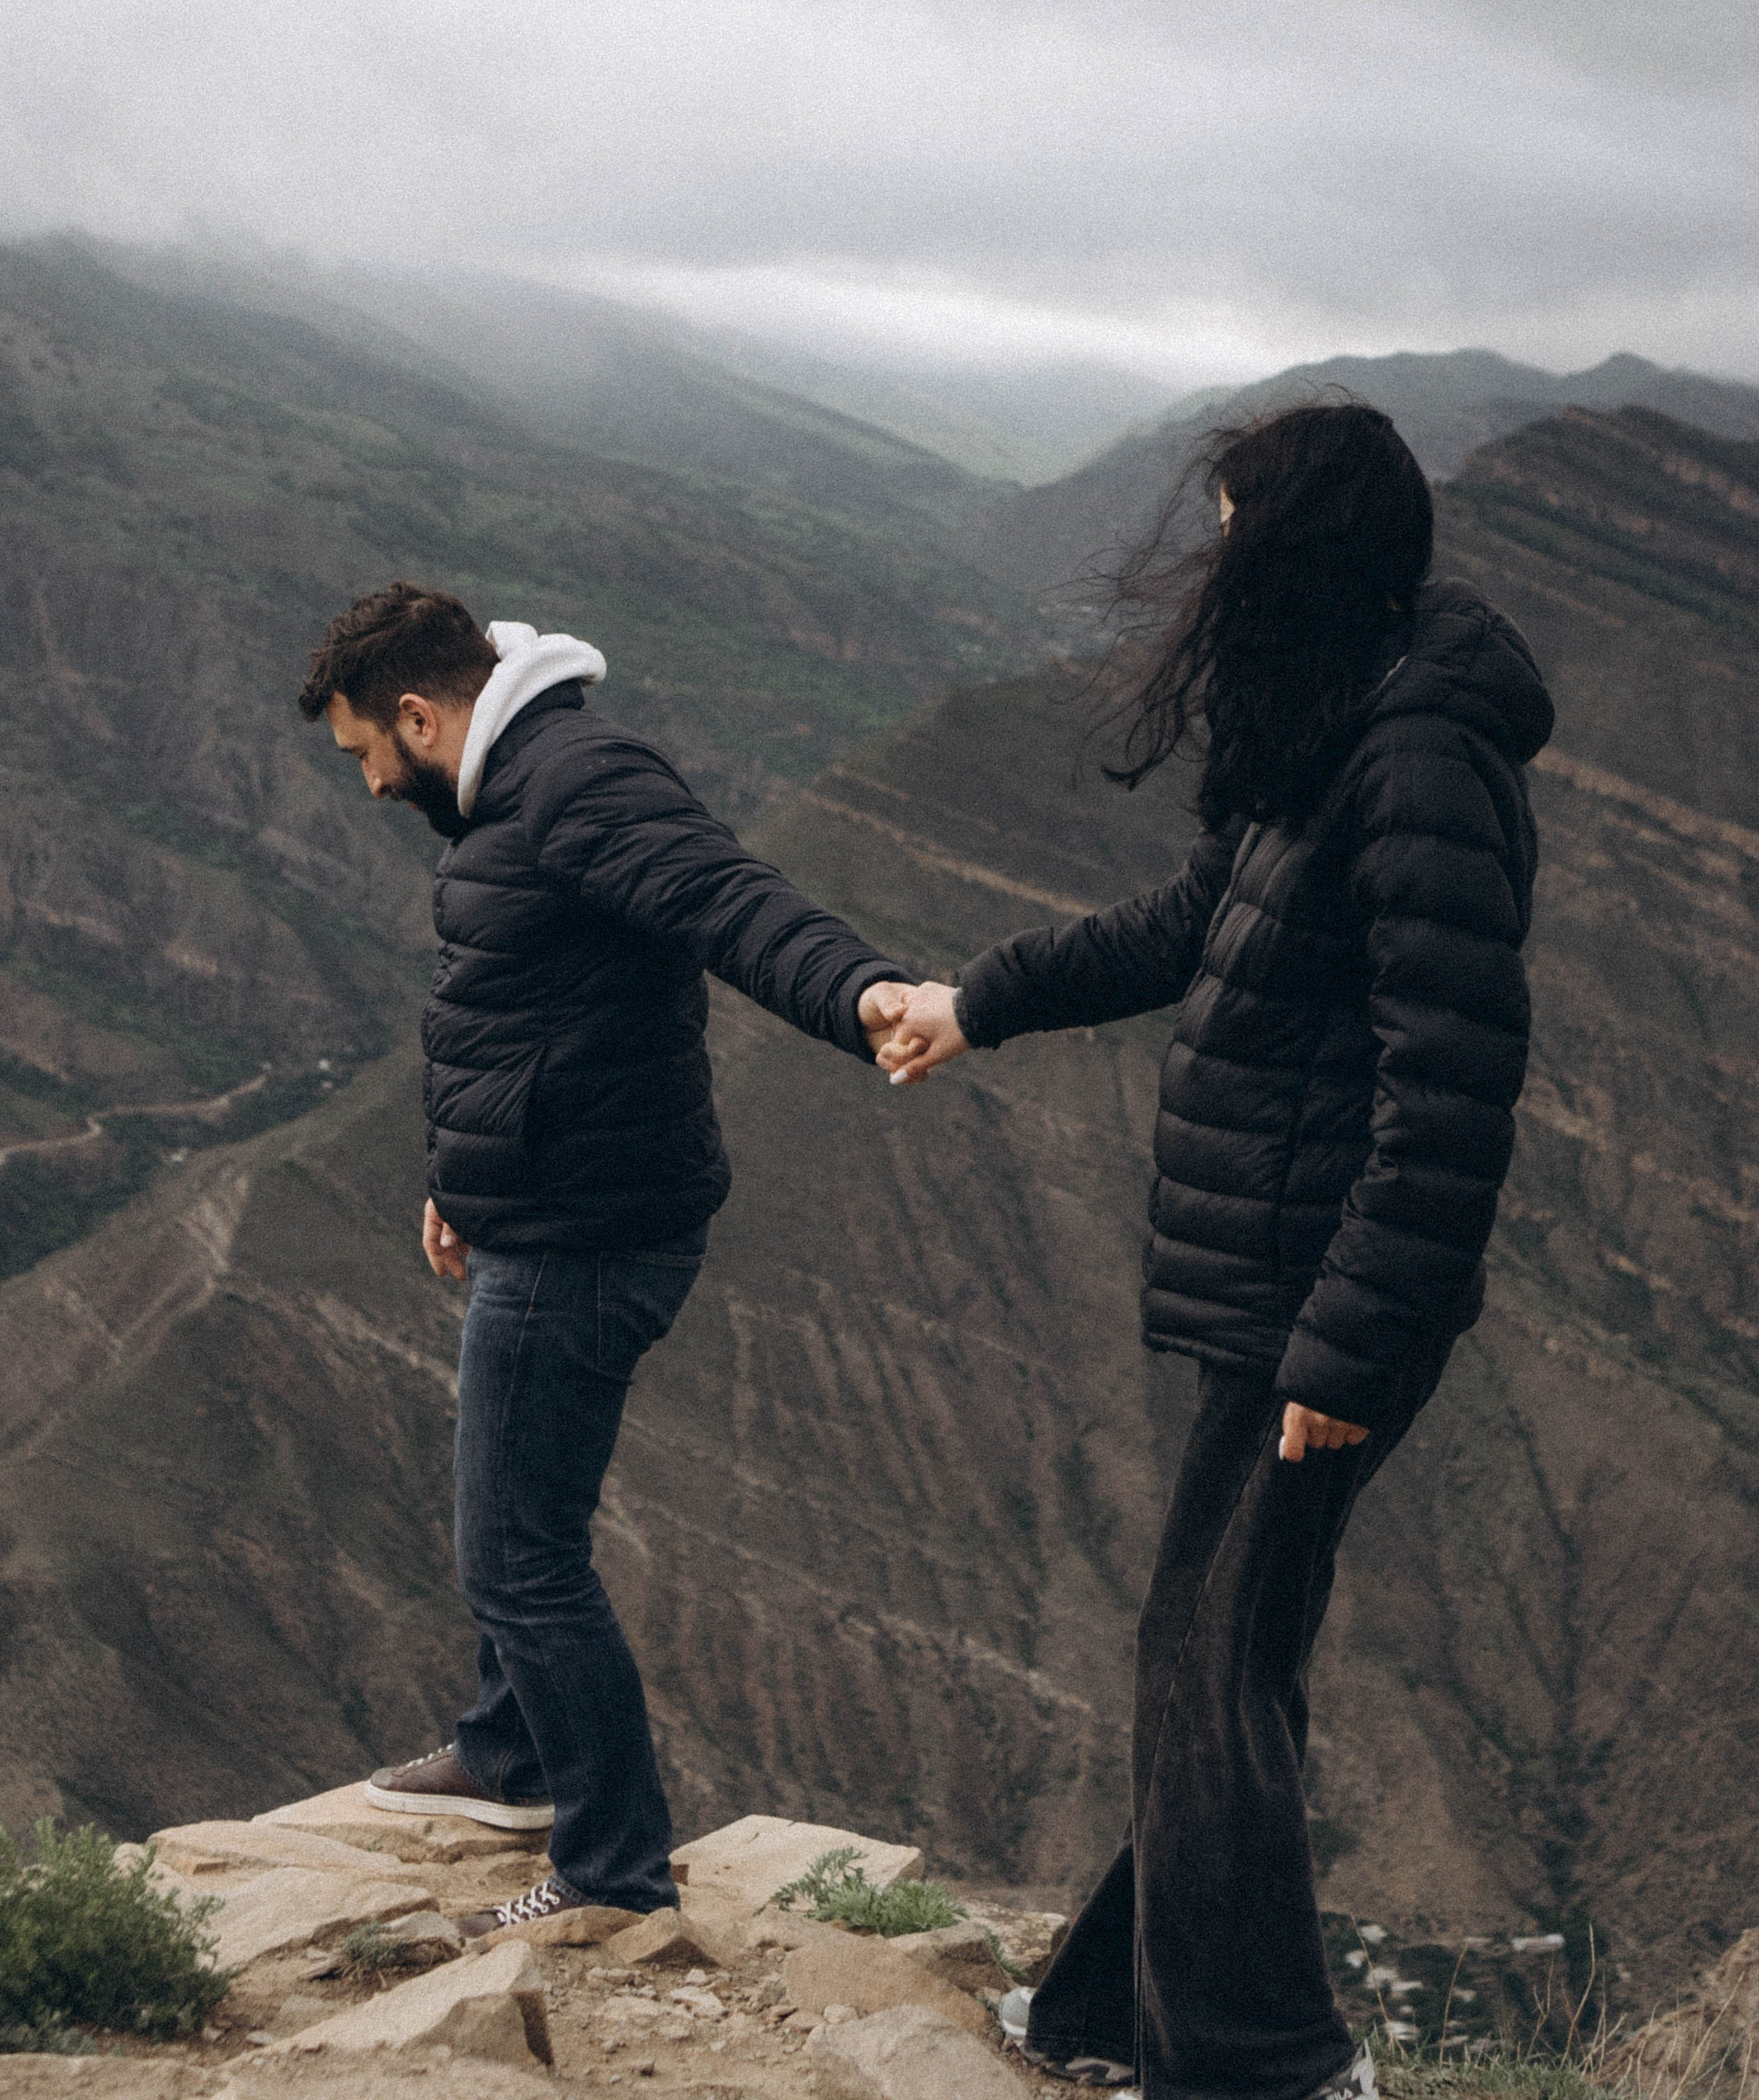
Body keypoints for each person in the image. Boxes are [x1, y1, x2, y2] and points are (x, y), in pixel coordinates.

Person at [875, 402, 1553, 2100]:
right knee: (1214, 1657)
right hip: (1276, 1279)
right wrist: (979, 1004)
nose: (1214, 566)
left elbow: (1452, 1085)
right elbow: (1189, 927)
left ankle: (1258, 2065)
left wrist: (1342, 1341)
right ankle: (1117, 2011)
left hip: (1319, 1296)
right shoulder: (1334, 726)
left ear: (1301, 552)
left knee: (1208, 1662)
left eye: (1239, 529)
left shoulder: (1412, 762)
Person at [298, 583, 914, 1936]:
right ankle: (509, 1757)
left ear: (417, 713)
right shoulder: (517, 784)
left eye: (364, 755)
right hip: (550, 1208)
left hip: (589, 1241)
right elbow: (523, 1004)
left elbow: (732, 901)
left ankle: (610, 1871)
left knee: (519, 1554)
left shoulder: (577, 781)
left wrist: (861, 991)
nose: (366, 786)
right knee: (528, 1516)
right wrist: (464, 1181)